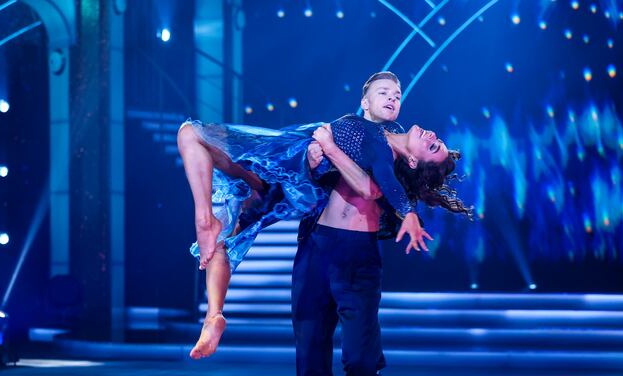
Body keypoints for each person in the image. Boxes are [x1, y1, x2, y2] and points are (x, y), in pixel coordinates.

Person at [176, 72, 463, 358]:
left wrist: (408, 212)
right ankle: (214, 315)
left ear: (413, 160)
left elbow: (380, 184)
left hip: (286, 160)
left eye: (396, 96)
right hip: (282, 181)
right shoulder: (384, 131)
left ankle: (205, 220)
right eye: (386, 93)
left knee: (191, 133)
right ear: (364, 102)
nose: (392, 98)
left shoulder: (382, 146)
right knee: (225, 240)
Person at [287, 121, 471, 376]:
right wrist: (315, 153)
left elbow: (372, 188)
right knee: (309, 352)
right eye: (437, 138)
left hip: (357, 259)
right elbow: (315, 166)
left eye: (434, 147)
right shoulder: (374, 132)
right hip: (316, 247)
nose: (433, 136)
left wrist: (410, 214)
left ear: (416, 164)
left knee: (361, 358)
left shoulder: (392, 171)